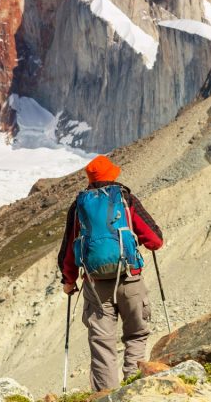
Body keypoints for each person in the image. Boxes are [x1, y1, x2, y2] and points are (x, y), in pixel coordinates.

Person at [57, 155, 164, 392]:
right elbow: (154, 239)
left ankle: (107, 396)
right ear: (112, 175)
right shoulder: (124, 199)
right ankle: (135, 389)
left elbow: (68, 248)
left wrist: (68, 280)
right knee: (136, 335)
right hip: (130, 279)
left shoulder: (79, 206)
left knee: (102, 345)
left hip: (95, 286)